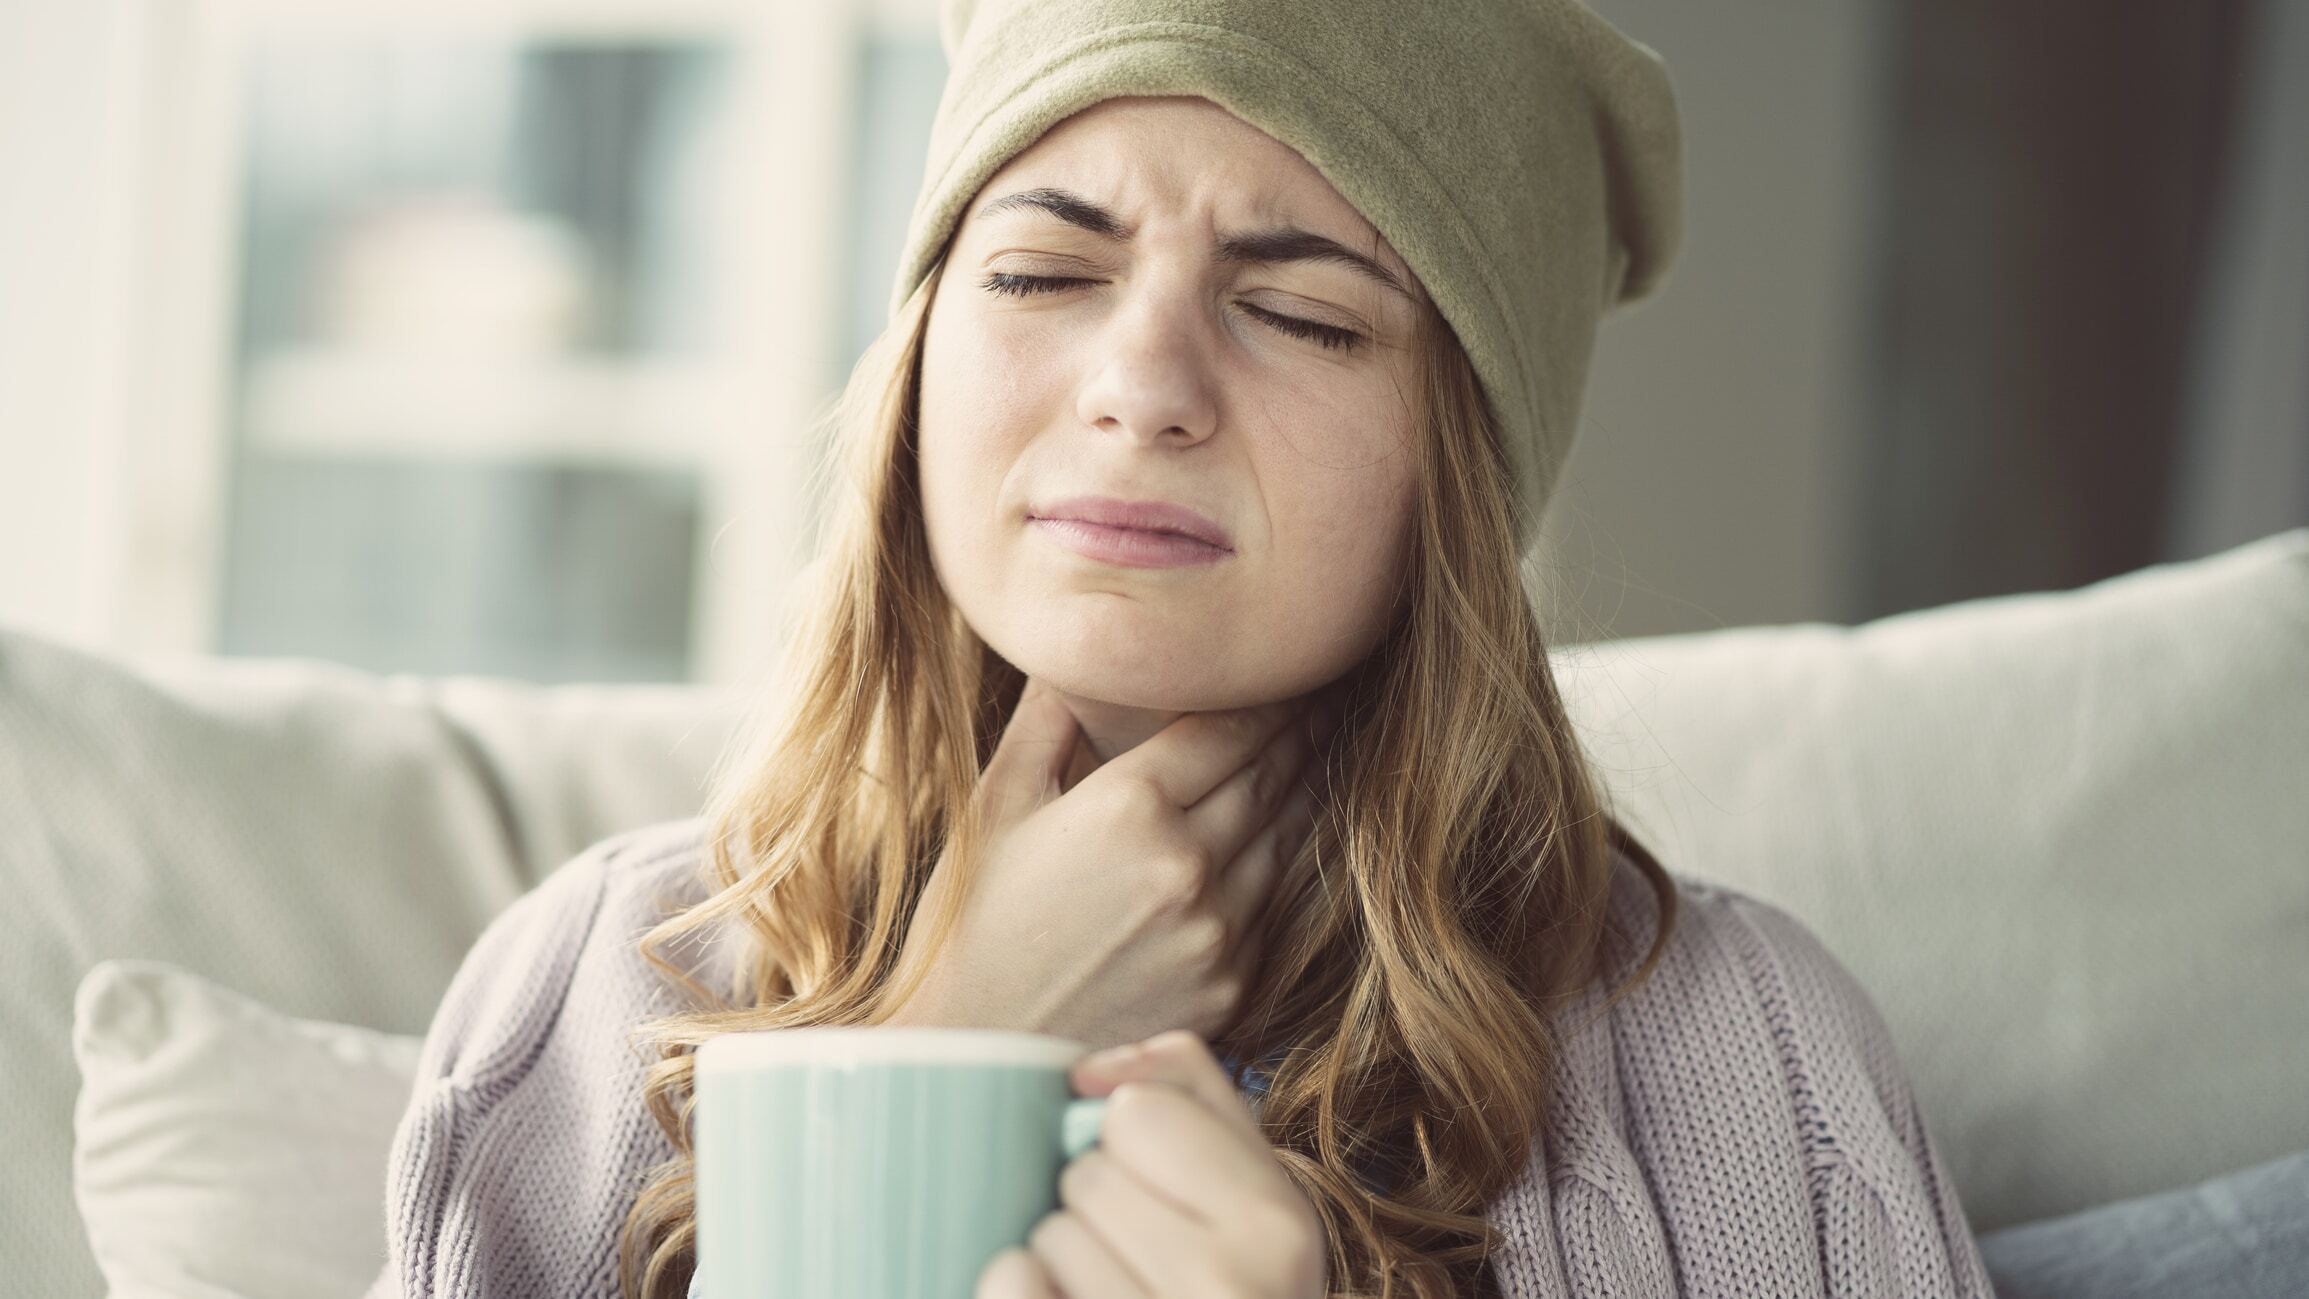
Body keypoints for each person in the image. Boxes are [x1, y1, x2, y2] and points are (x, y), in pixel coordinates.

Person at [366, 2, 1999, 1297]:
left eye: (1300, 314)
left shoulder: (1753, 1063)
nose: (1139, 383)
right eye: (1039, 271)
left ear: (1467, 472)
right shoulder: (588, 994)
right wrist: (943, 1059)